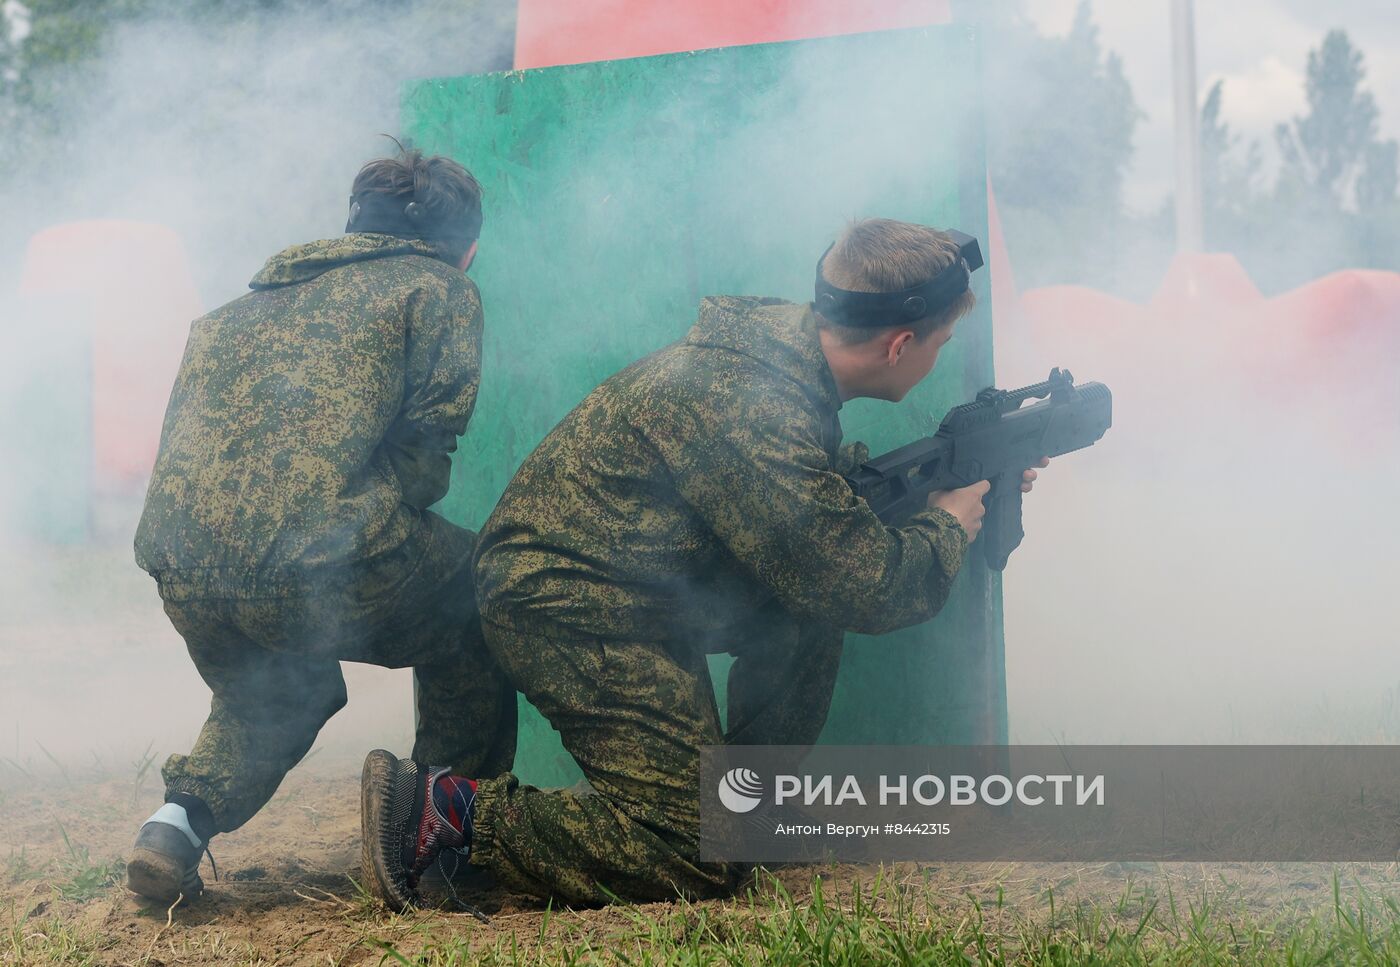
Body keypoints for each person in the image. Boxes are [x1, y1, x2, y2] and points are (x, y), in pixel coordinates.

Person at [361, 217, 1044, 908]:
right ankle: (442, 813)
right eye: (941, 341)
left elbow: (814, 510)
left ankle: (747, 808)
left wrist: (941, 483)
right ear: (900, 344)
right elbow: (865, 584)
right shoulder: (758, 409)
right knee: (692, 852)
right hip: (564, 600)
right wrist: (946, 525)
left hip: (631, 584)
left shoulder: (782, 355)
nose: (939, 352)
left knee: (805, 595)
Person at [125, 146, 516, 905]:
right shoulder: (438, 289)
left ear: (348, 228)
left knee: (280, 688)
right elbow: (426, 453)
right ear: (466, 248)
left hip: (182, 566)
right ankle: (434, 837)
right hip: (311, 561)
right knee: (482, 592)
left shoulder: (229, 313)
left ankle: (172, 825)